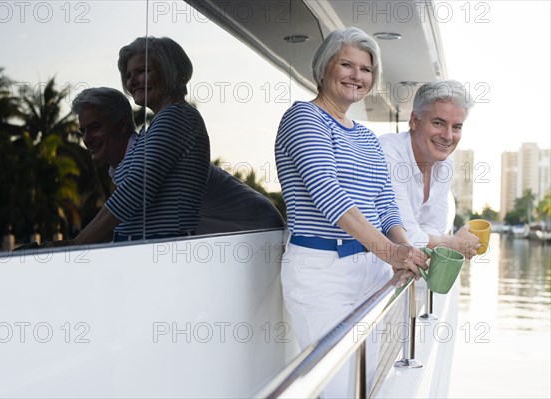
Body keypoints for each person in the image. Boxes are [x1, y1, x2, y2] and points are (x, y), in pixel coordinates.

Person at [274, 27, 428, 397]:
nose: (356, 76)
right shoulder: (303, 119)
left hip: (369, 271)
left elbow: (386, 206)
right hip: (322, 274)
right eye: (346, 64)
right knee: (339, 386)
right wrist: (392, 253)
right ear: (324, 67)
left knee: (363, 380)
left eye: (366, 69)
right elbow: (331, 198)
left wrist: (404, 249)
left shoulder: (366, 138)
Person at [50, 36, 210, 246]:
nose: (131, 82)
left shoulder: (175, 116)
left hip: (164, 251)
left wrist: (77, 242)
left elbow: (136, 190)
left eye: (143, 71)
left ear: (169, 71)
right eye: (128, 75)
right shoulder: (165, 120)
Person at [71, 86, 283, 238]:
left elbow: (128, 200)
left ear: (124, 125)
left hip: (259, 232)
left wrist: (76, 243)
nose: (87, 138)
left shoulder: (148, 152)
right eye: (83, 131)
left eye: (95, 127)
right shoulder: (125, 166)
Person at [378, 80, 479, 259]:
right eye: (438, 123)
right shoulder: (388, 153)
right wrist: (453, 244)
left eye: (456, 127)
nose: (448, 136)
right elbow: (405, 234)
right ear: (415, 121)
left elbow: (433, 226)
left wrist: (443, 242)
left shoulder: (445, 163)